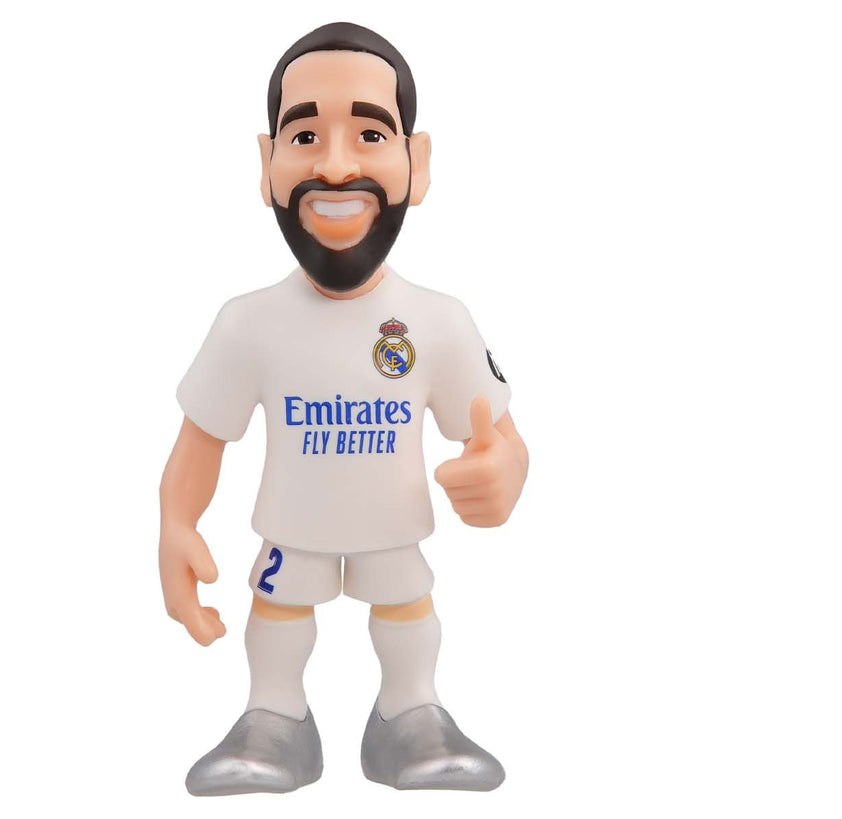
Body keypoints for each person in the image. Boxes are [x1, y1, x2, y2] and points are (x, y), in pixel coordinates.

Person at [159, 22, 529, 795]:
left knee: (407, 608)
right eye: (304, 136)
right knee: (278, 613)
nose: (334, 165)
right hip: (292, 526)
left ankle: (410, 712)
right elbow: (205, 436)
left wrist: (505, 470)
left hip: (392, 523)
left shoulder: (439, 322)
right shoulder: (248, 323)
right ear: (266, 164)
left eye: (369, 133)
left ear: (416, 164)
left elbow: (499, 434)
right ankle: (275, 716)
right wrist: (176, 522)